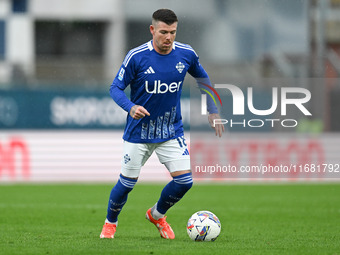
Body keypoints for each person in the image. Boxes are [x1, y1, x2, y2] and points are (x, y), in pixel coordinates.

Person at [100, 8, 224, 239]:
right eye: (164, 32)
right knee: (126, 184)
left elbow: (202, 77)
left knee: (185, 181)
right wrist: (131, 107)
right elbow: (115, 88)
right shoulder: (136, 56)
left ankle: (156, 215)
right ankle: (110, 222)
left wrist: (212, 109)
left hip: (170, 130)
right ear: (152, 30)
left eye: (173, 32)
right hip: (139, 132)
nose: (169, 37)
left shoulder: (186, 54)